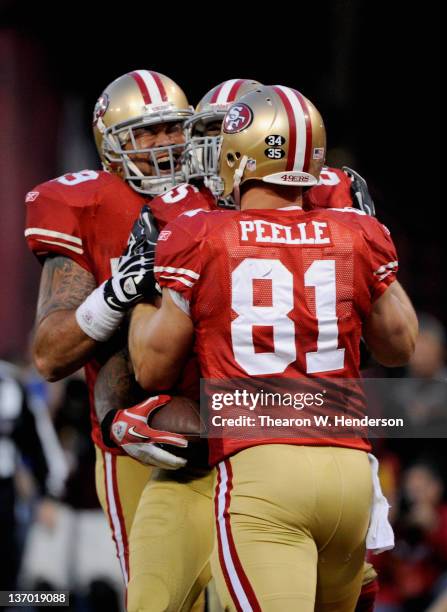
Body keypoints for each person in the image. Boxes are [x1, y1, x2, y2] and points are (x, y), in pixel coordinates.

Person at [128, 84, 418, 611]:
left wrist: (144, 290)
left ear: (242, 154)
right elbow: (400, 345)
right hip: (349, 472)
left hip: (261, 469)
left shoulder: (199, 233)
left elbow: (151, 367)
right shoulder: (355, 229)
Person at [25, 69, 194, 589]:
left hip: (245, 424)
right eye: (147, 132)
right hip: (142, 441)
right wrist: (115, 294)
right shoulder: (87, 205)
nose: (166, 144)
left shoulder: (223, 194)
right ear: (111, 145)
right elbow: (50, 357)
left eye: (173, 129)